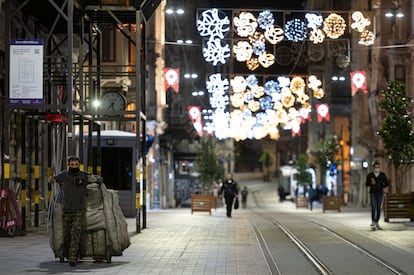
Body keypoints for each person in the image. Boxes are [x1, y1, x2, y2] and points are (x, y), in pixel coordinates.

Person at [51, 156, 90, 266]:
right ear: (68, 165)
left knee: (75, 232)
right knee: (67, 235)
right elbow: (54, 179)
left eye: (76, 165)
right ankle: (69, 254)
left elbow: (97, 179)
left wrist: (96, 179)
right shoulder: (63, 175)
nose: (74, 167)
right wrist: (52, 180)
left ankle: (73, 257)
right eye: (72, 165)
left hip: (79, 210)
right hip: (66, 210)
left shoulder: (84, 175)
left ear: (79, 165)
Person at [365, 161, 389, 230]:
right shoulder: (370, 175)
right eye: (376, 167)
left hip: (380, 193)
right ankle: (373, 221)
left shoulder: (382, 175)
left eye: (378, 167)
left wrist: (382, 186)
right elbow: (366, 184)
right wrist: (371, 183)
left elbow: (387, 183)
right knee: (373, 207)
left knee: (378, 208)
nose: (377, 169)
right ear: (373, 168)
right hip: (373, 192)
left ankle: (377, 222)